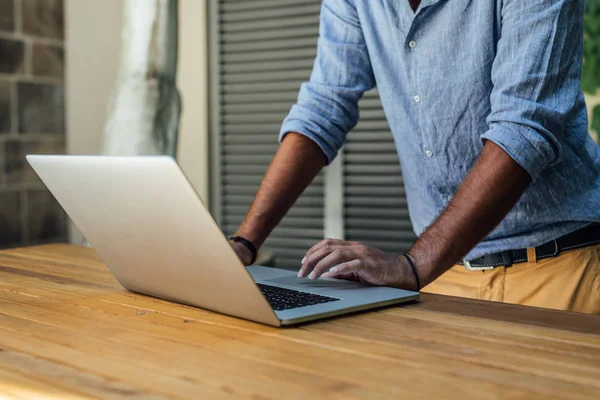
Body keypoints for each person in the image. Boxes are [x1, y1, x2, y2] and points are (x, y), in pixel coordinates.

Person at [228, 0, 600, 314]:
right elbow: (324, 107)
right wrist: (245, 244)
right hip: (441, 276)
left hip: (560, 270)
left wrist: (413, 264)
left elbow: (524, 127)